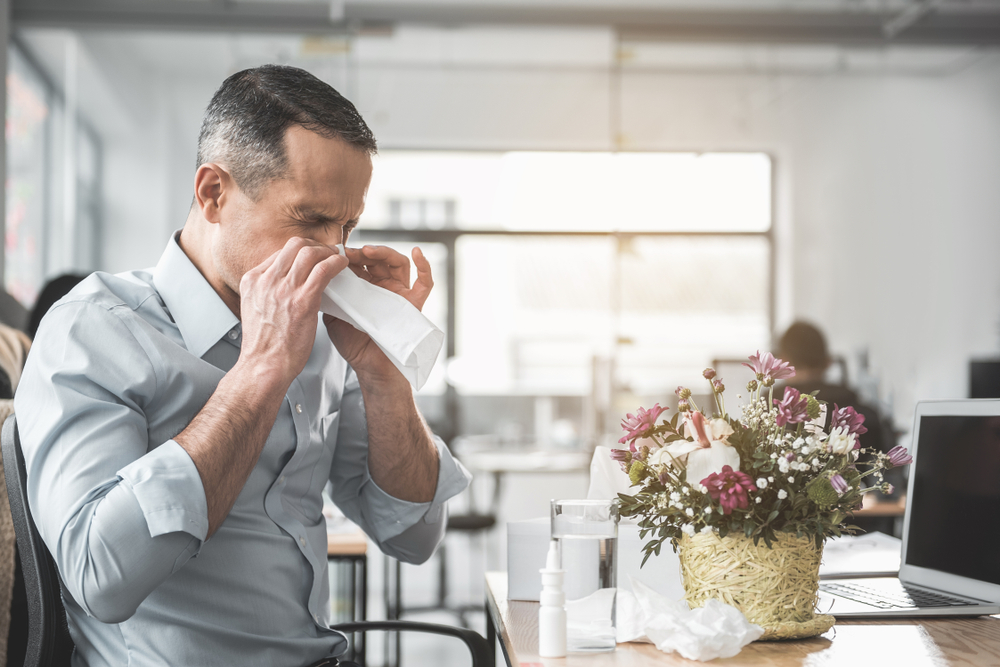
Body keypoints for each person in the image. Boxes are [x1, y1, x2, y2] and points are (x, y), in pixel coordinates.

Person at [14, 65, 470, 667]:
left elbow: (412, 537)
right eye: (309, 220)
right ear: (213, 194)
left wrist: (383, 373)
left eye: (347, 226)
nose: (332, 254)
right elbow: (100, 577)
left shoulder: (327, 335)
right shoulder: (93, 329)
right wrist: (260, 371)